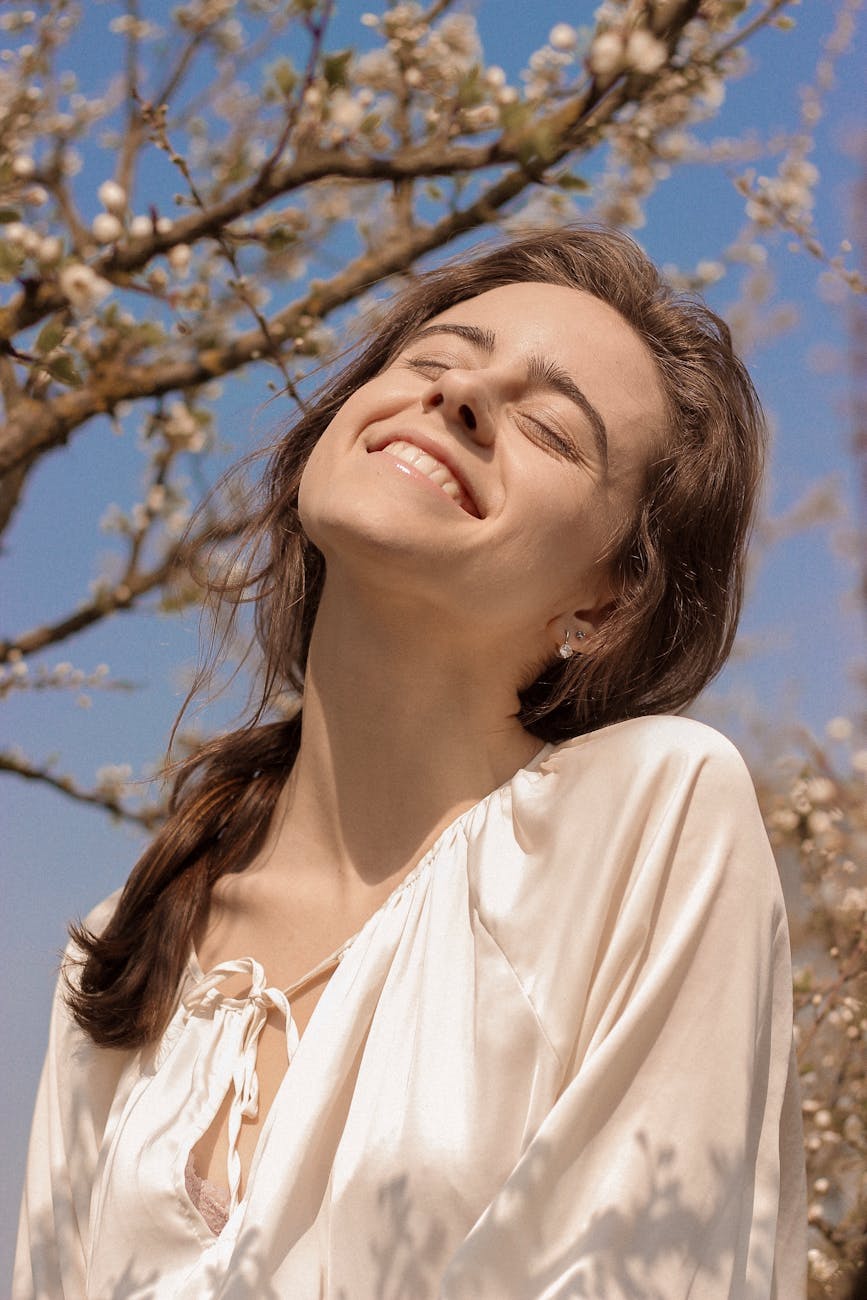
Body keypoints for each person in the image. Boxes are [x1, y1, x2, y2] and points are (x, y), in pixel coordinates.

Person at [14, 225, 806, 1299]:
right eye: (434, 361)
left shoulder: (649, 820)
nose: (462, 397)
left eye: (552, 427)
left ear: (611, 596)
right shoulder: (122, 949)